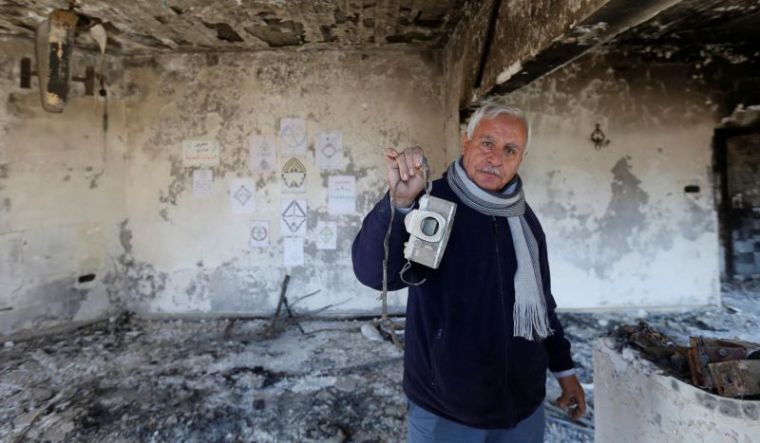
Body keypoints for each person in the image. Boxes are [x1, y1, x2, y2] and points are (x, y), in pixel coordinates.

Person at [351, 102, 586, 442]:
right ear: (466, 143)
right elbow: (374, 273)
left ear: (520, 159)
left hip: (522, 408)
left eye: (510, 149)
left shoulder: (524, 219)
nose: (496, 158)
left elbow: (542, 302)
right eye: (487, 143)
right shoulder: (432, 202)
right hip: (448, 410)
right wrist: (399, 205)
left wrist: (565, 371)